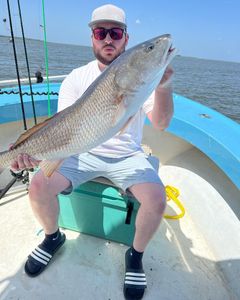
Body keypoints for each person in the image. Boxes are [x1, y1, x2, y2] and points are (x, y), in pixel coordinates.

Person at [11, 4, 174, 300]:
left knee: (157, 199)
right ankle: (52, 237)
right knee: (37, 184)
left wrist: (164, 87)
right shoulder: (76, 78)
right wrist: (28, 154)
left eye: (116, 32)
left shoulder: (144, 81)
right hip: (79, 152)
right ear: (92, 38)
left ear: (126, 39)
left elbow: (161, 124)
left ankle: (135, 257)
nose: (108, 38)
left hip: (127, 156)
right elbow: (64, 130)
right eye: (101, 32)